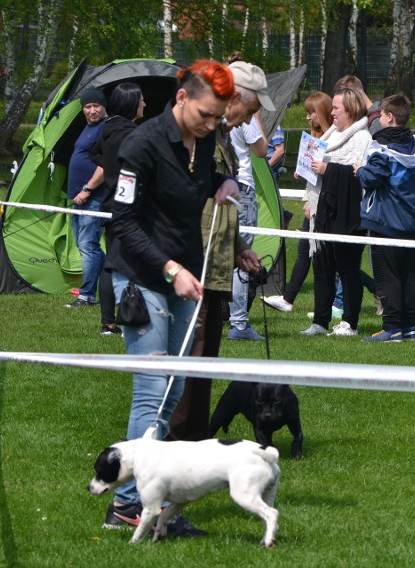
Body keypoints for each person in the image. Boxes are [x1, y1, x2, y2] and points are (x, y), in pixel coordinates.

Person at [104, 59, 241, 536]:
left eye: (218, 118)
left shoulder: (201, 144)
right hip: (142, 277)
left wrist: (222, 184)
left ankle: (152, 504)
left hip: (183, 278)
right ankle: (126, 505)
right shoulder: (138, 145)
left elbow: (193, 189)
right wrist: (170, 267)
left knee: (174, 391)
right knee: (153, 391)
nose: (211, 125)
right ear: (182, 98)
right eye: (206, 114)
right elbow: (121, 223)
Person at [166, 64, 267, 442]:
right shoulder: (198, 135)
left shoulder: (221, 137)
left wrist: (239, 246)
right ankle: (174, 443)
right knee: (188, 360)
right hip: (195, 265)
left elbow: (219, 201)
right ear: (236, 98)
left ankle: (196, 440)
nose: (252, 117)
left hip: (218, 264)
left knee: (204, 362)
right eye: (253, 109)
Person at [356, 95, 415, 342]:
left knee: (386, 274)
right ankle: (409, 325)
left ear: (390, 117)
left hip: (385, 220)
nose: (379, 119)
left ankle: (392, 327)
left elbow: (372, 178)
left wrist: (360, 171)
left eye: (380, 115)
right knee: (409, 273)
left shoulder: (379, 145)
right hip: (413, 221)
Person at [299, 87, 371, 337]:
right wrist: (307, 169)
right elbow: (320, 167)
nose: (331, 112)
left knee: (348, 269)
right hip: (324, 211)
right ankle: (320, 321)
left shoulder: (362, 138)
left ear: (350, 110)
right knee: (322, 266)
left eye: (336, 108)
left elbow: (358, 175)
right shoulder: (329, 137)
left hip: (348, 215)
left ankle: (350, 322)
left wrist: (326, 170)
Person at [262, 91, 334, 313]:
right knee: (307, 251)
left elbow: (331, 176)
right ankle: (288, 299)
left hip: (324, 206)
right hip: (313, 203)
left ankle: (372, 289)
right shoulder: (317, 138)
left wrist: (313, 202)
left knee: (332, 259)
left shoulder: (331, 139)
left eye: (311, 113)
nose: (307, 118)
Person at [223, 60, 275, 342]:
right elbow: (261, 150)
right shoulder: (244, 118)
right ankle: (239, 323)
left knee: (232, 254)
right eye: (252, 108)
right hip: (241, 188)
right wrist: (257, 122)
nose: (248, 117)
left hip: (229, 186)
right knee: (239, 259)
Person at [88, 83, 146, 336]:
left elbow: (94, 154)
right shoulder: (132, 133)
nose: (145, 104)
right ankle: (115, 322)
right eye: (142, 100)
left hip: (111, 203)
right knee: (117, 265)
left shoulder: (108, 129)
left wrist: (110, 169)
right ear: (133, 104)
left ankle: (110, 322)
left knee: (112, 264)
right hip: (127, 208)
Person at [65, 88, 107, 308]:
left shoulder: (105, 128)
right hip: (78, 198)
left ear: (104, 106)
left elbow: (105, 165)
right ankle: (100, 290)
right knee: (88, 247)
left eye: (96, 106)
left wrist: (87, 190)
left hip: (93, 197)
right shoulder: (88, 128)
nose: (92, 111)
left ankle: (87, 295)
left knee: (88, 246)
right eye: (88, 107)